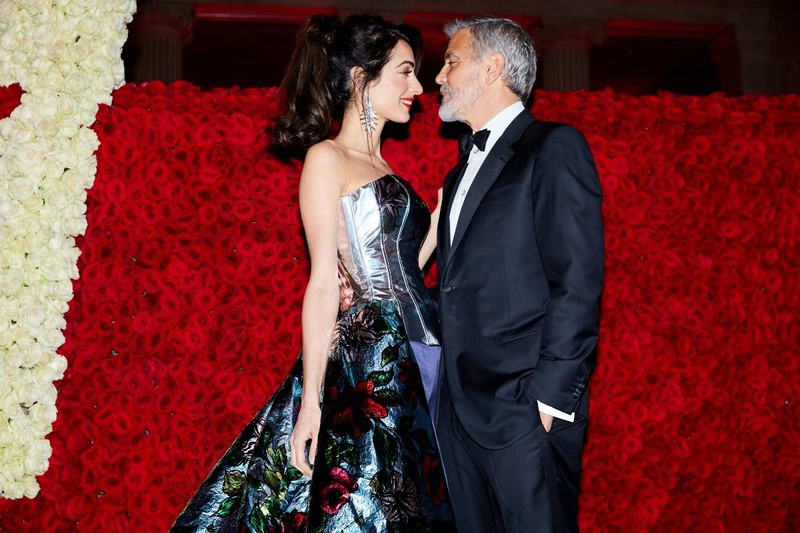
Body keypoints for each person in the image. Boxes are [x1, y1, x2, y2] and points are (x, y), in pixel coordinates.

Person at [170, 14, 455, 532]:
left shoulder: (387, 169)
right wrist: (312, 403)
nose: (418, 88)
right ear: (361, 78)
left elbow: (402, 274)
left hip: (425, 349)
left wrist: (436, 226)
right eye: (405, 72)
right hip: (375, 359)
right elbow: (324, 280)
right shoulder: (327, 158)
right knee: (373, 508)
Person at [432, 17, 604, 533]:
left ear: (492, 68)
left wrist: (548, 400)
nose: (439, 76)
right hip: (458, 411)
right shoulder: (457, 173)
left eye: (451, 61)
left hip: (523, 408)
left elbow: (576, 280)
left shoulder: (554, 147)